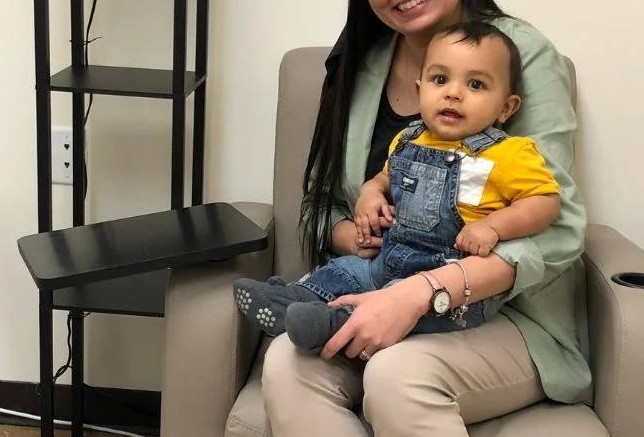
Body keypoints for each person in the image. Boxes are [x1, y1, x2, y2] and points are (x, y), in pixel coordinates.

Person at [240, 0, 591, 437]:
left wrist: (424, 294)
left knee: (398, 376)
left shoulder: (520, 55)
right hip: (380, 284)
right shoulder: (359, 65)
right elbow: (320, 203)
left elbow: (559, 229)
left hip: (501, 317)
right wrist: (354, 228)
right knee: (288, 362)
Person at [232, 22, 560, 351]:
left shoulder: (508, 153)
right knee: (342, 270)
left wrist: (493, 226)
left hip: (447, 286)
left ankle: (335, 323)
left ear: (506, 107)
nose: (453, 92)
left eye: (475, 84)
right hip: (384, 263)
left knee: (396, 308)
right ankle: (290, 301)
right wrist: (370, 193)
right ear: (420, 89)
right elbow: (384, 178)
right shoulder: (408, 140)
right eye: (440, 79)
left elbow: (544, 202)